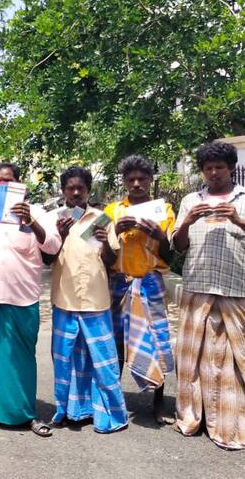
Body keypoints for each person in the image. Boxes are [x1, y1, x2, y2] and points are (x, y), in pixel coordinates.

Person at [0, 163, 60, 437]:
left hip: (24, 297)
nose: (2, 186)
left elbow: (52, 246)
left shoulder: (37, 212)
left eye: (8, 181)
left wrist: (31, 222)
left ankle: (27, 414)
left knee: (22, 359)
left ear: (19, 183)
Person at [172, 141, 245, 450]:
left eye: (220, 167)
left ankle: (230, 424)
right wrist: (188, 221)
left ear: (231, 168)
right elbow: (178, 245)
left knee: (235, 361)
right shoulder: (191, 199)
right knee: (192, 359)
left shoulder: (243, 199)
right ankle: (192, 417)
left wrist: (238, 219)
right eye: (208, 167)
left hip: (236, 288)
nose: (214, 172)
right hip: (197, 287)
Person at [46, 166, 128, 433]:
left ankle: (109, 413)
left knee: (102, 361)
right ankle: (70, 411)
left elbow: (112, 262)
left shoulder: (101, 219)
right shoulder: (54, 219)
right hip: (65, 300)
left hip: (96, 301)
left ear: (88, 190)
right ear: (63, 191)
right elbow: (47, 259)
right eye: (70, 187)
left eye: (81, 187)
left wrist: (105, 243)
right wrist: (59, 234)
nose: (76, 192)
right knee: (66, 360)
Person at [105, 155, 175, 424]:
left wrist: (159, 235)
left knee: (157, 340)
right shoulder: (113, 211)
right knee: (117, 342)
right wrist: (113, 230)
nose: (136, 184)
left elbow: (170, 254)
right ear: (124, 181)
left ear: (150, 180)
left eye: (142, 179)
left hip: (149, 282)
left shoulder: (163, 210)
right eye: (131, 179)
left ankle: (158, 403)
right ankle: (115, 399)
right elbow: (97, 247)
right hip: (119, 283)